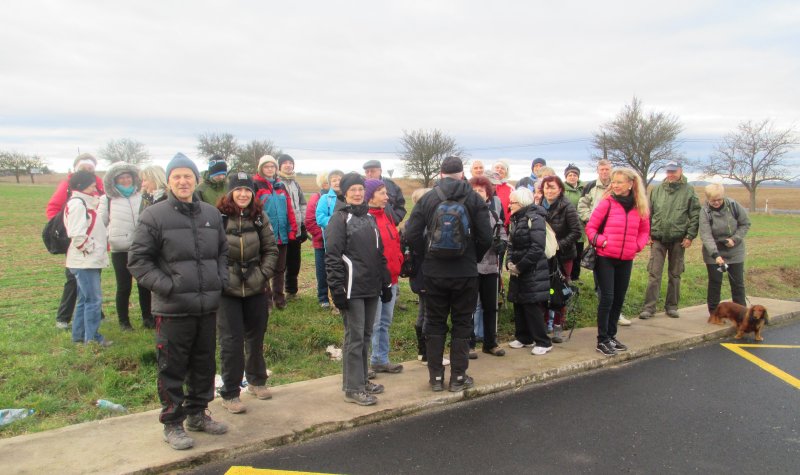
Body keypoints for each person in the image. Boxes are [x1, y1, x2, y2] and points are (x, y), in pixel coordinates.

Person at [128, 152, 229, 450]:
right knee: (171, 366)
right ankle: (173, 422)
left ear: (196, 180)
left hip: (207, 305)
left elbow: (222, 252)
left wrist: (219, 280)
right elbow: (138, 261)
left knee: (203, 362)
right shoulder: (154, 216)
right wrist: (168, 286)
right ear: (169, 182)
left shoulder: (211, 214)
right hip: (172, 309)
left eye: (188, 176)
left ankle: (198, 413)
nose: (183, 181)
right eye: (177, 177)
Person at [404, 157, 493, 392]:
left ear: (441, 174)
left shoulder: (428, 198)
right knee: (463, 323)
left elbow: (411, 234)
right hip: (465, 273)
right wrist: (472, 257)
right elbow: (486, 237)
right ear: (462, 175)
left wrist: (427, 254)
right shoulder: (474, 198)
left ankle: (435, 378)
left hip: (434, 272)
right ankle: (458, 378)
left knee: (434, 323)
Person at [325, 173, 392, 406]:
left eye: (360, 189)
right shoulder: (339, 219)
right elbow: (332, 257)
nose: (357, 193)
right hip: (351, 288)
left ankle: (363, 380)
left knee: (365, 335)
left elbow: (379, 253)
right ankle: (353, 388)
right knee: (354, 338)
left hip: (371, 286)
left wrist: (385, 283)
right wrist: (336, 290)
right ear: (344, 193)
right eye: (352, 189)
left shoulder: (370, 218)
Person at [216, 172, 279, 414]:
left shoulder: (259, 217)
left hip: (256, 286)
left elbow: (271, 249)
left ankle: (256, 381)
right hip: (227, 290)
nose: (243, 194)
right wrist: (223, 278)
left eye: (247, 190)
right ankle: (230, 392)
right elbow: (212, 252)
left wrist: (262, 275)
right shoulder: (219, 218)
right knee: (230, 341)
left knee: (256, 335)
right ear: (230, 193)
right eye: (238, 190)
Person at [586, 168, 650, 356]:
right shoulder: (607, 203)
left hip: (626, 258)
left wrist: (637, 245)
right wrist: (601, 241)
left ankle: (612, 336)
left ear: (630, 184)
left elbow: (645, 230)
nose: (614, 185)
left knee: (619, 299)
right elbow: (591, 227)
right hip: (605, 257)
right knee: (607, 298)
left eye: (619, 182)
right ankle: (602, 339)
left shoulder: (640, 206)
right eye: (613, 182)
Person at [47, 153, 106, 330]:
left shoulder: (98, 186)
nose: (87, 171)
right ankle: (63, 317)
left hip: (93, 242)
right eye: (83, 168)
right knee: (73, 281)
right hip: (77, 241)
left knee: (92, 281)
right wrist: (65, 231)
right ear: (76, 168)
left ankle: (95, 315)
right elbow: (53, 208)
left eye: (90, 168)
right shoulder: (69, 187)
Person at [640, 161, 700, 320]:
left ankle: (672, 306)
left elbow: (695, 215)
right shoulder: (657, 190)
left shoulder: (689, 191)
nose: (671, 174)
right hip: (657, 238)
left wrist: (690, 236)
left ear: (680, 171)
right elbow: (648, 214)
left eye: (674, 171)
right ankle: (649, 308)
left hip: (678, 239)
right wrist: (647, 234)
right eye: (668, 171)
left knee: (675, 274)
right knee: (654, 274)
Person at [577, 160, 632, 326]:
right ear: (598, 171)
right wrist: (590, 219)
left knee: (617, 288)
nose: (605, 172)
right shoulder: (591, 186)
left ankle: (614, 315)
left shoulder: (628, 197)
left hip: (620, 245)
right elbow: (582, 205)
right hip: (599, 239)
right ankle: (603, 311)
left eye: (607, 169)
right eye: (602, 169)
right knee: (602, 279)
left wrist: (636, 244)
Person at [98, 162, 151, 330]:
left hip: (141, 247)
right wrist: (110, 236)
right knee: (123, 287)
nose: (126, 180)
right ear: (115, 180)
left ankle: (147, 318)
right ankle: (124, 321)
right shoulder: (107, 199)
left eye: (128, 177)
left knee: (144, 285)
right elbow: (101, 223)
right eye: (122, 177)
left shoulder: (141, 196)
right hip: (120, 248)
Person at [64, 170, 110, 346]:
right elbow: (77, 234)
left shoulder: (84, 202)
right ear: (81, 185)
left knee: (84, 299)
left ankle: (79, 336)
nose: (95, 187)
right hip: (85, 261)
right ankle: (92, 339)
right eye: (91, 184)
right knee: (93, 300)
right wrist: (90, 250)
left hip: (86, 260)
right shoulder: (78, 204)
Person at [506, 188, 553, 355]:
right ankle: (523, 337)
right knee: (519, 302)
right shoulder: (517, 219)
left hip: (532, 270)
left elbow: (537, 247)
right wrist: (509, 262)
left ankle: (543, 341)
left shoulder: (535, 218)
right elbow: (511, 244)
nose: (509, 205)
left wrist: (520, 266)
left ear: (521, 203)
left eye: (512, 202)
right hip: (519, 269)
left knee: (531, 305)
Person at [365, 179, 405, 374]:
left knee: (384, 322)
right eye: (382, 192)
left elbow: (394, 243)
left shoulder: (386, 215)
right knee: (371, 324)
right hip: (374, 280)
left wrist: (398, 262)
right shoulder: (365, 218)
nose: (387, 197)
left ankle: (380, 359)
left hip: (392, 278)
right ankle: (362, 366)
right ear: (370, 195)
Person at [539, 175, 582, 343]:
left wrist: (557, 245)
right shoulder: (538, 206)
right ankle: (542, 325)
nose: (549, 191)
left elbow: (576, 232)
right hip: (544, 256)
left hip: (563, 256)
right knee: (545, 290)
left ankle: (558, 325)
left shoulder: (567, 207)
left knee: (560, 290)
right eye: (546, 187)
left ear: (560, 190)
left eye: (552, 187)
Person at [698, 183, 751, 315]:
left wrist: (734, 239)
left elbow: (745, 223)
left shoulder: (733, 206)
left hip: (735, 250)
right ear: (708, 199)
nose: (716, 202)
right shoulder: (705, 212)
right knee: (715, 282)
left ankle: (741, 314)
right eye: (713, 200)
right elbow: (706, 235)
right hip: (713, 252)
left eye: (719, 199)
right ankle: (714, 314)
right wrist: (716, 255)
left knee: (737, 283)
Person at [468, 176, 506, 357]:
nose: (477, 194)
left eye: (481, 191)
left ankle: (490, 343)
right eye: (474, 191)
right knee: (468, 308)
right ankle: (468, 344)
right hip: (471, 268)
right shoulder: (464, 213)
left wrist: (502, 244)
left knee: (490, 306)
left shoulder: (493, 214)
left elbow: (503, 233)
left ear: (488, 194)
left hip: (490, 266)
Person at [253, 155, 297, 310]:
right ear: (261, 168)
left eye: (272, 166)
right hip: (265, 235)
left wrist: (292, 228)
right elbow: (254, 210)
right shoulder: (256, 185)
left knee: (280, 268)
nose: (270, 169)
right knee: (265, 268)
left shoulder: (280, 186)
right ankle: (267, 299)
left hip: (282, 234)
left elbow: (289, 209)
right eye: (266, 166)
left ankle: (280, 299)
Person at [277, 154, 308, 299]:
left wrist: (302, 224)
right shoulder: (276, 183)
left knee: (294, 261)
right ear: (280, 166)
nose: (288, 165)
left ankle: (291, 291)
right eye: (285, 163)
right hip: (282, 229)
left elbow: (302, 203)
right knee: (280, 262)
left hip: (296, 229)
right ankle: (278, 292)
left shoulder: (295, 184)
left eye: (291, 163)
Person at [305, 171, 332, 308]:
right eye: (326, 182)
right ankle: (323, 297)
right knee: (322, 270)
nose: (329, 185)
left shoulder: (340, 197)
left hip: (337, 243)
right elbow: (310, 221)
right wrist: (324, 235)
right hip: (321, 242)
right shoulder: (316, 198)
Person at [363, 160, 406, 224]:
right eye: (367, 172)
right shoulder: (361, 187)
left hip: (389, 225)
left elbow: (400, 204)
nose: (369, 174)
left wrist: (396, 218)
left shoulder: (391, 185)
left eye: (372, 171)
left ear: (380, 171)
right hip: (368, 226)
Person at [563, 163, 585, 281]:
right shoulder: (562, 190)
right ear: (566, 177)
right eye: (570, 175)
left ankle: (576, 276)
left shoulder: (584, 189)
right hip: (566, 227)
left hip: (580, 226)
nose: (572, 177)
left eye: (574, 175)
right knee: (568, 253)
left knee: (578, 253)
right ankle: (567, 276)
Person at [315, 169, 345, 238]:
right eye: (334, 180)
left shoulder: (349, 197)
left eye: (340, 180)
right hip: (333, 237)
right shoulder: (325, 199)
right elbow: (320, 219)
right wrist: (340, 222)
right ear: (330, 183)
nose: (337, 183)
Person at [491, 160, 515, 227]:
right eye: (497, 167)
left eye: (502, 168)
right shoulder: (487, 186)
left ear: (506, 172)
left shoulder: (510, 189)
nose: (499, 170)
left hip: (506, 226)